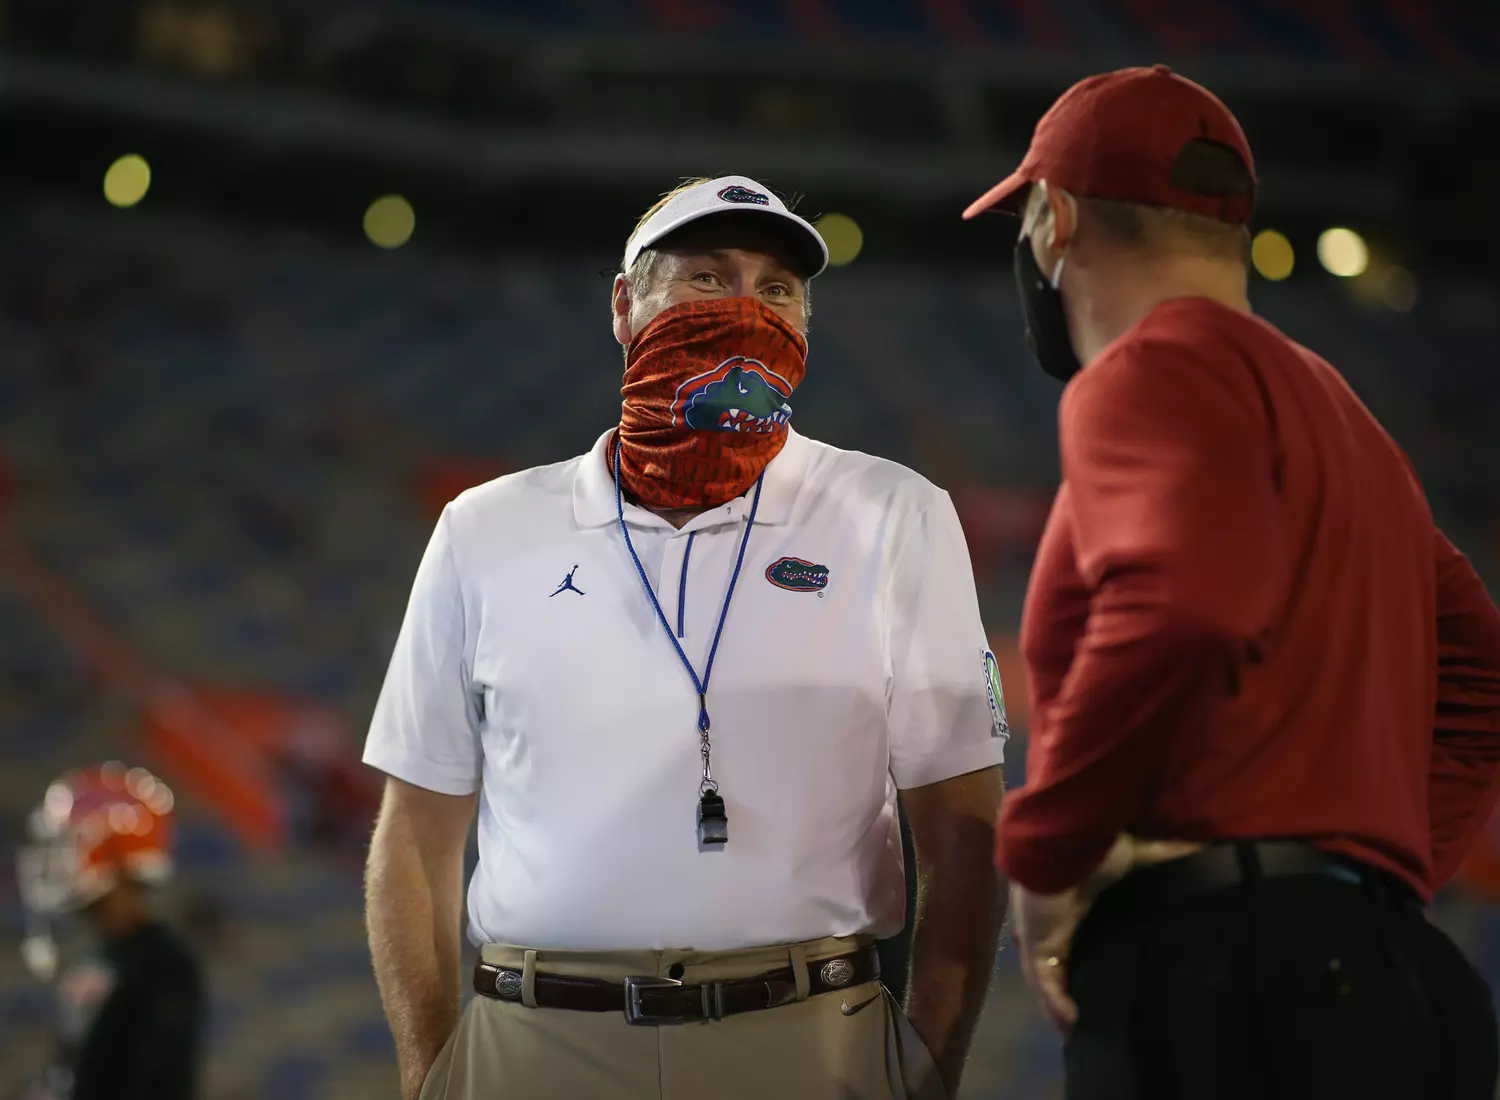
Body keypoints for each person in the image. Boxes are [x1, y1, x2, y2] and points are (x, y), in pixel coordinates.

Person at [363, 174, 1010, 1100]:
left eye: (777, 289)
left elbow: (964, 829)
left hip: (812, 1042)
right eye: (706, 279)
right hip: (534, 1046)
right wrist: (430, 1078)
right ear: (625, 307)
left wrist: (925, 1068)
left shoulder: (895, 514)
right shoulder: (485, 529)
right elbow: (415, 836)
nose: (746, 307)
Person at [962, 65, 1500, 1100]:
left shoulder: (1142, 368)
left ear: (1055, 219)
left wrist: (1048, 855)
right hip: (1394, 981)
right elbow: (1479, 663)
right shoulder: (1340, 408)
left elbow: (1184, 604)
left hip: (1227, 976)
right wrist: (1375, 875)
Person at [16, 762, 205, 1100]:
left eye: (67, 846)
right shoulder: (94, 960)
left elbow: (160, 1085)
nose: (56, 861)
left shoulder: (165, 966)